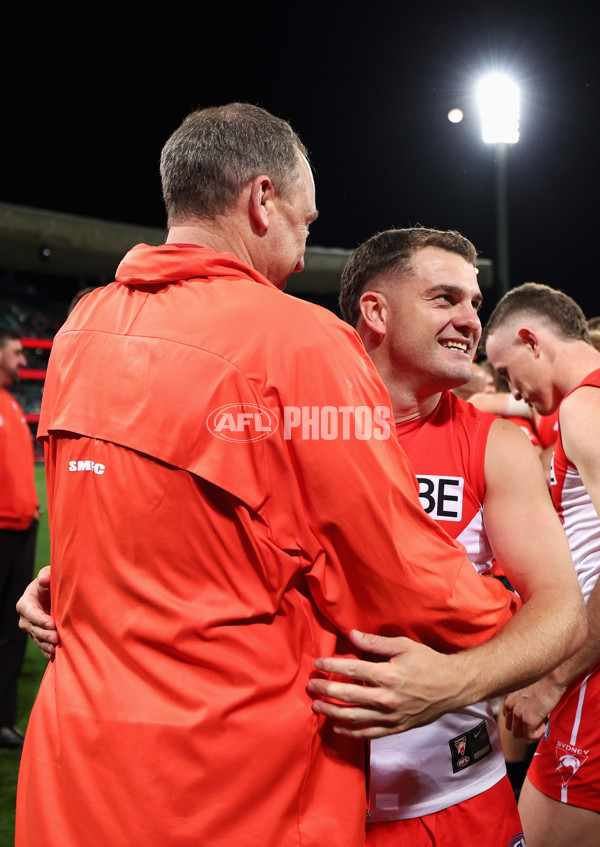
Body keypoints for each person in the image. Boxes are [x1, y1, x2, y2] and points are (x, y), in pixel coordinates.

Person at [14, 105, 520, 847]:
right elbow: (392, 572)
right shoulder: (297, 337)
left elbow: (125, 521)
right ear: (262, 201)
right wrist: (510, 619)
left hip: (76, 762)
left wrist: (73, 582)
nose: (299, 247)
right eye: (305, 223)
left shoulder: (81, 327)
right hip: (229, 775)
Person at [305, 229, 585, 846]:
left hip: (455, 802)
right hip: (300, 801)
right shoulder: (290, 429)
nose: (470, 321)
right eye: (444, 299)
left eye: (474, 304)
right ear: (375, 311)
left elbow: (560, 608)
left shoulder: (497, 446)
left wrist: (450, 685)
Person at [482, 282, 600, 847]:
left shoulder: (586, 405)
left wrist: (552, 681)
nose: (513, 390)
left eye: (507, 372)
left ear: (532, 341)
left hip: (590, 678)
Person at [0, 329, 39, 750]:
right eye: (15, 351)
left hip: (22, 529)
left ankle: (2, 718)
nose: (21, 358)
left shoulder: (11, 404)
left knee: (12, 631)